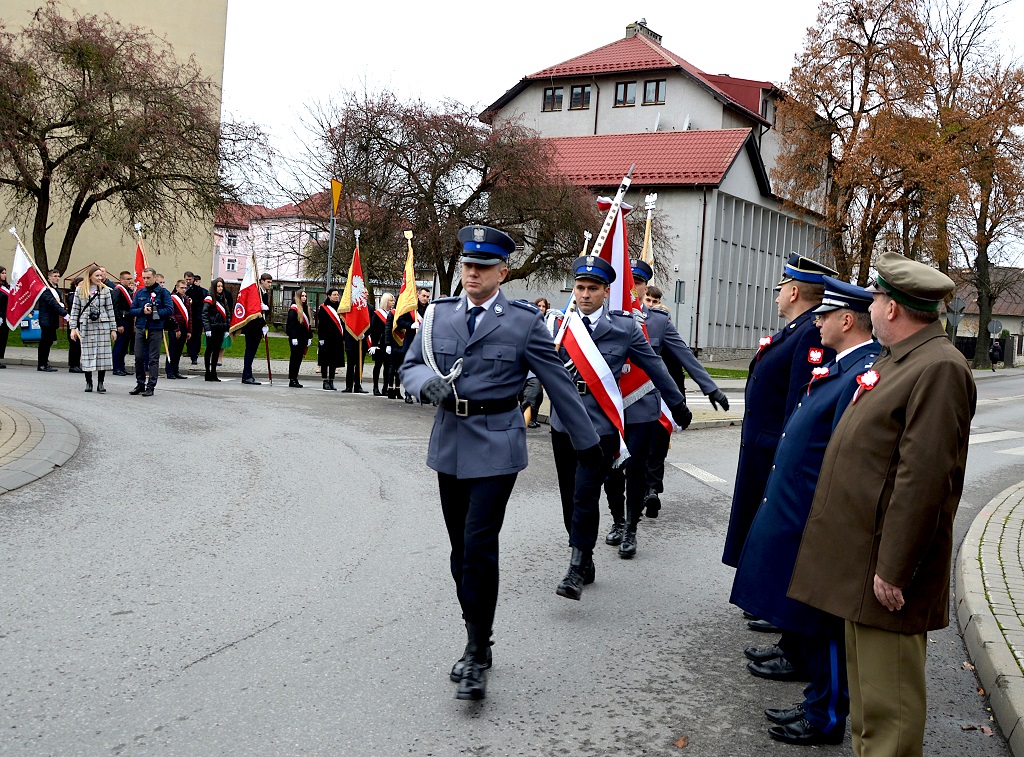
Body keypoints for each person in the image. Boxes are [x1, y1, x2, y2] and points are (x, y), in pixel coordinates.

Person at [400, 225, 602, 702]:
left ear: (502, 272)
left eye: (483, 266)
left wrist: (588, 444)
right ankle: (476, 628)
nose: (472, 272)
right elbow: (411, 364)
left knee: (477, 545)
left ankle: (475, 649)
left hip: (497, 443)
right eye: (468, 264)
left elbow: (556, 381)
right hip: (450, 441)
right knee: (457, 550)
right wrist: (424, 382)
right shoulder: (437, 315)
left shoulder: (523, 322)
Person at [788, 253, 976, 757]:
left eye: (875, 298)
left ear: (892, 309)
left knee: (888, 712)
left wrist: (894, 568)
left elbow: (924, 480)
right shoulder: (901, 359)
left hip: (886, 574)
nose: (869, 307)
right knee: (869, 710)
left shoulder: (938, 367)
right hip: (861, 565)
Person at [730, 278, 879, 746]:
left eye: (825, 315)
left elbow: (843, 456)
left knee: (824, 623)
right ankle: (818, 702)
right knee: (809, 617)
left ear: (847, 320)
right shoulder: (844, 367)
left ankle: (827, 716)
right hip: (801, 508)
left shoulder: (862, 374)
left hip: (818, 517)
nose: (817, 322)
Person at [549, 255, 689, 597]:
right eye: (580, 288)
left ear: (606, 292)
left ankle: (575, 569)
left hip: (601, 427)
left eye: (592, 289)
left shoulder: (624, 328)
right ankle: (585, 558)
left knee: (585, 495)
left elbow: (655, 366)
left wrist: (677, 404)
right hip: (563, 423)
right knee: (570, 498)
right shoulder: (560, 326)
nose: (584, 294)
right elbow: (540, 367)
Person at [618, 262, 730, 522]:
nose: (632, 287)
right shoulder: (605, 317)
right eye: (628, 281)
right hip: (610, 403)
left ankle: (640, 505)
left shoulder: (657, 322)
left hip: (644, 400)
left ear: (646, 286)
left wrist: (710, 388)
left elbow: (685, 356)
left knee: (644, 456)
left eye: (637, 282)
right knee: (615, 465)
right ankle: (619, 517)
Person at [68, 265, 117, 393]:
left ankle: (101, 383)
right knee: (87, 354)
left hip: (103, 324)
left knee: (103, 354)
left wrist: (113, 329)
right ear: (90, 276)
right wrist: (73, 328)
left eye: (101, 275)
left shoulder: (106, 290)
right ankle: (88, 381)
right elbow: (75, 310)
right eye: (97, 276)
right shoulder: (80, 290)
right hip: (87, 324)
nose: (99, 278)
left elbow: (110, 310)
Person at [128, 267, 173, 396]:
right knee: (138, 357)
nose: (146, 280)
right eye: (144, 278)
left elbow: (169, 309)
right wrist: (142, 310)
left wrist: (155, 312)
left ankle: (151, 386)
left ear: (154, 277)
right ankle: (140, 383)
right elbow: (132, 310)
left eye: (148, 278)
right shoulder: (140, 293)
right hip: (142, 327)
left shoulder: (163, 293)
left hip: (156, 328)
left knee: (153, 359)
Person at [241, 272, 273, 385]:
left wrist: (266, 310)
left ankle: (248, 374)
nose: (270, 284)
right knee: (250, 351)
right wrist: (263, 324)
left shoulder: (264, 294)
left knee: (252, 352)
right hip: (252, 327)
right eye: (268, 282)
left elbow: (264, 311)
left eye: (271, 282)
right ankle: (246, 375)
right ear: (262, 281)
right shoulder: (256, 292)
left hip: (258, 328)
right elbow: (253, 311)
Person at [37, 269, 67, 372]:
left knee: (49, 342)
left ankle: (45, 362)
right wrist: (64, 313)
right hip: (46, 320)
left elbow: (59, 302)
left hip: (52, 320)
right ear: (49, 277)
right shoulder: (46, 289)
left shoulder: (56, 289)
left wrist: (62, 306)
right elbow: (52, 303)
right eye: (55, 276)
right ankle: (41, 364)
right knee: (45, 342)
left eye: (58, 276)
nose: (57, 278)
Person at [202, 277, 230, 382]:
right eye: (218, 286)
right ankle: (207, 372)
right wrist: (207, 328)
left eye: (222, 286)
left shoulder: (223, 299)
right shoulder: (209, 299)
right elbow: (204, 315)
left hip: (221, 328)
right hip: (212, 329)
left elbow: (227, 314)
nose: (220, 288)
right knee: (209, 350)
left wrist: (227, 328)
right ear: (214, 287)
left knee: (217, 351)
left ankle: (214, 372)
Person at [317, 288, 345, 390]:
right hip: (326, 338)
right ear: (329, 296)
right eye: (334, 294)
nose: (337, 296)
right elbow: (321, 325)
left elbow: (343, 323)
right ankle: (325, 381)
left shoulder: (340, 307)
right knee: (325, 360)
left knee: (334, 360)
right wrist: (321, 338)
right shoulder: (324, 308)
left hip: (337, 338)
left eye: (337, 294)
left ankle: (331, 380)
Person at [165, 279, 192, 380]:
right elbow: (171, 315)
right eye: (181, 288)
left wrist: (189, 330)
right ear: (177, 288)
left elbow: (189, 316)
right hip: (175, 328)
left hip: (184, 328)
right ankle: (169, 371)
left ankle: (176, 370)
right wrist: (176, 329)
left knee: (179, 351)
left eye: (185, 288)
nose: (184, 290)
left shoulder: (186, 299)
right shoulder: (172, 298)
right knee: (172, 350)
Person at [110, 270, 135, 376]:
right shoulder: (117, 290)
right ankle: (116, 367)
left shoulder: (128, 290)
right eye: (127, 279)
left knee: (125, 346)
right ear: (121, 280)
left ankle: (122, 366)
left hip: (128, 320)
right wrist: (118, 324)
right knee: (119, 345)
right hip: (122, 321)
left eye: (130, 279)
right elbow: (115, 308)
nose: (130, 281)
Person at [285, 289, 312, 388]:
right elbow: (290, 324)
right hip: (296, 338)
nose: (304, 298)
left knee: (299, 359)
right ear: (298, 297)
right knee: (294, 359)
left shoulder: (305, 308)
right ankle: (292, 379)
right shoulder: (294, 309)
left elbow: (307, 325)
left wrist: (309, 337)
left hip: (303, 338)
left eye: (305, 296)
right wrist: (293, 337)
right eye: (302, 296)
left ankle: (295, 378)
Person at [369, 293, 394, 395]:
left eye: (393, 301)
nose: (393, 302)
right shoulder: (377, 314)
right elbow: (374, 330)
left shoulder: (393, 313)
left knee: (387, 366)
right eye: (390, 301)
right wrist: (374, 344)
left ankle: (385, 387)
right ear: (385, 301)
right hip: (379, 344)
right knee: (378, 365)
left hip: (388, 344)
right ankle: (375, 387)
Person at [184, 272, 207, 365]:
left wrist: (193, 301)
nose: (188, 281)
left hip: (196, 316)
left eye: (190, 279)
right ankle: (189, 350)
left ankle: (194, 355)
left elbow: (203, 301)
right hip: (184, 316)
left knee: (196, 336)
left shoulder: (199, 290)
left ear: (193, 279)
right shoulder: (180, 288)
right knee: (186, 335)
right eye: (187, 279)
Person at [65, 278, 84, 373]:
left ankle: (76, 363)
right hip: (74, 324)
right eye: (81, 284)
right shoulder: (73, 296)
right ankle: (73, 365)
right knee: (74, 345)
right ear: (76, 285)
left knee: (78, 346)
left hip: (80, 323)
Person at [0, 265, 9, 368]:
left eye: (5, 273)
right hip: (0, 316)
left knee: (2, 338)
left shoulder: (6, 287)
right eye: (2, 273)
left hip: (5, 317)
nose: (4, 275)